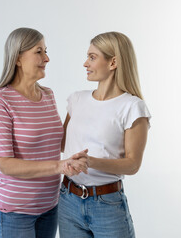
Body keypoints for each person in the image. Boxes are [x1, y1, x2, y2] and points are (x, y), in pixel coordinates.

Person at [0, 27, 88, 238]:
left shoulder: (47, 95)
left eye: (46, 51)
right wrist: (60, 166)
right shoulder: (1, 101)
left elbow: (59, 143)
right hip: (16, 212)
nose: (47, 58)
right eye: (39, 51)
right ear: (18, 58)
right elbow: (5, 163)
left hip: (50, 207)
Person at [58, 31, 151, 238]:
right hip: (68, 200)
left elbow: (133, 164)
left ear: (113, 62)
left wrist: (91, 162)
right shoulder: (76, 100)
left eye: (92, 57)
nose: (85, 63)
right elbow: (62, 143)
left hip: (107, 205)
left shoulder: (132, 107)